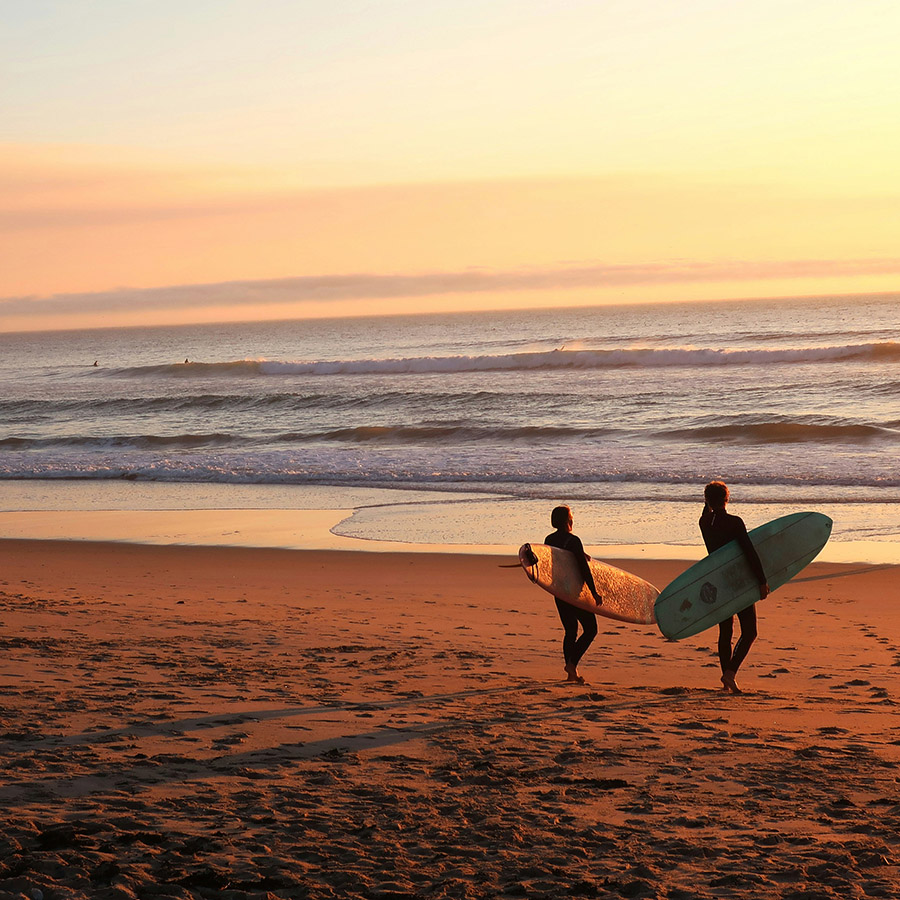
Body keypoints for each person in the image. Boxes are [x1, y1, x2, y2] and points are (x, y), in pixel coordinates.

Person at [699, 481, 770, 694]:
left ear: (707, 500)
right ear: (727, 498)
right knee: (750, 632)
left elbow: (706, 513)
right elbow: (749, 552)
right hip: (738, 581)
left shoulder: (704, 523)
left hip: (718, 582)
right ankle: (730, 673)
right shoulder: (735, 522)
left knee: (725, 632)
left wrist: (706, 503)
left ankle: (726, 681)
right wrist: (761, 581)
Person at [545, 505, 603, 684]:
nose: (573, 519)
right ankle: (572, 664)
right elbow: (584, 570)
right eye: (571, 516)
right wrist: (594, 592)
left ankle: (572, 673)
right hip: (574, 593)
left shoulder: (549, 539)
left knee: (570, 631)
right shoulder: (574, 540)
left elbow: (558, 559)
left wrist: (580, 553)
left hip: (559, 591)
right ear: (567, 520)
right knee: (591, 629)